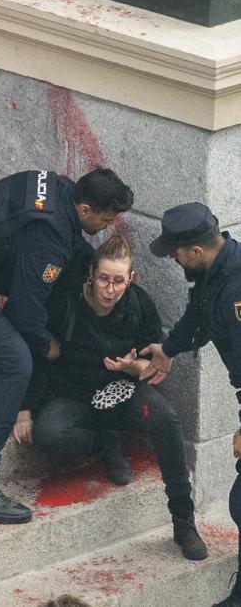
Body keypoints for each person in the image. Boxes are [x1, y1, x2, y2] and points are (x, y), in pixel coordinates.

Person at [0, 167, 133, 524]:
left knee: (59, 282)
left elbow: (71, 252)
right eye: (106, 217)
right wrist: (50, 348)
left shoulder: (61, 189)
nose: (108, 225)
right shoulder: (50, 235)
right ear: (85, 209)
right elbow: (28, 315)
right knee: (16, 360)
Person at [13, 234, 207, 561]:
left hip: (121, 391)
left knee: (166, 418)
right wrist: (24, 408)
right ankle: (104, 442)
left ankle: (184, 521)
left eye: (119, 281)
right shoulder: (67, 304)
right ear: (92, 274)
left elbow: (152, 364)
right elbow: (38, 354)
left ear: (130, 279)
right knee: (49, 433)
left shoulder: (139, 304)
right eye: (104, 278)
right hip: (73, 394)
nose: (110, 289)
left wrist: (133, 366)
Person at [141, 203, 241, 605]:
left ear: (195, 251)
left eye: (176, 253)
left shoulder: (237, 291)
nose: (174, 258)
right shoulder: (217, 272)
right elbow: (199, 317)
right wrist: (167, 348)